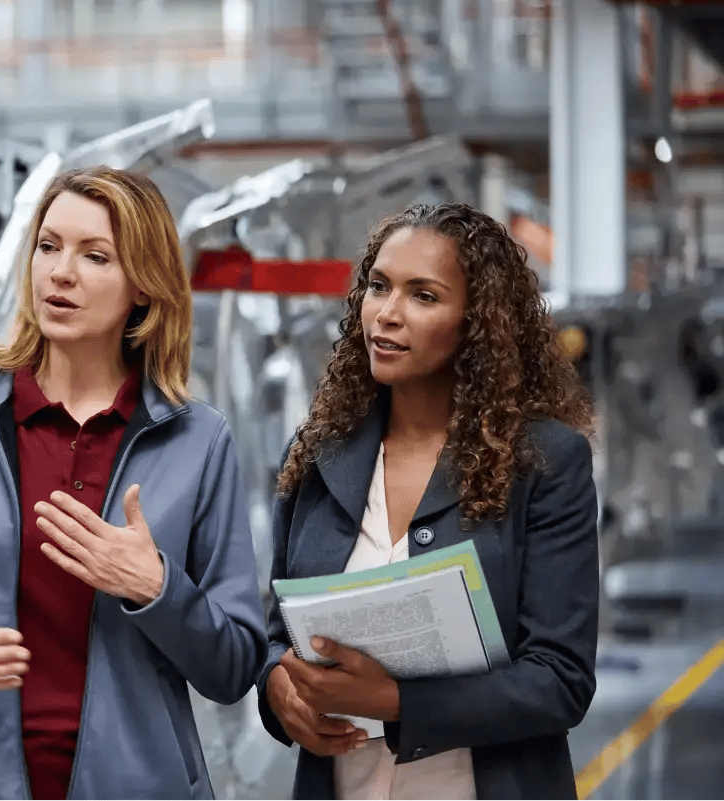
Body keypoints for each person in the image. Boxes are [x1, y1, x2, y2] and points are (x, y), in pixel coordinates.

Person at [0, 165, 267, 800]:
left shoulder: (199, 442)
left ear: (145, 289)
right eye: (48, 246)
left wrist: (157, 588)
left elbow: (234, 667)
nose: (60, 272)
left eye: (95, 255)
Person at [257, 202, 599, 801]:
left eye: (423, 296)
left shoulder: (543, 462)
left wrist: (394, 703)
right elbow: (274, 632)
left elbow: (560, 679)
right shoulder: (317, 455)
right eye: (379, 286)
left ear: (478, 322)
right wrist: (275, 687)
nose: (386, 315)